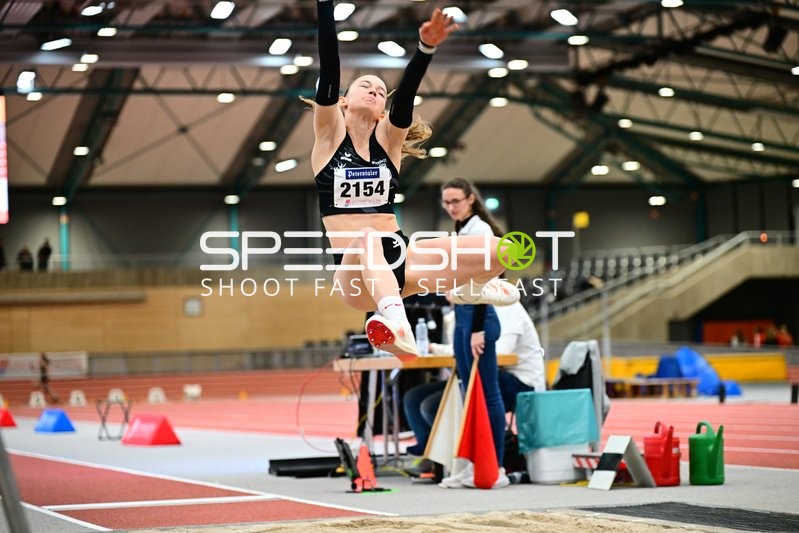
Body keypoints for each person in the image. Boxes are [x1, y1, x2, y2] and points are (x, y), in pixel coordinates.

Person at [307, 1, 518, 362]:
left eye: (379, 90)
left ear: (382, 111)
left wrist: (426, 49)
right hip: (355, 272)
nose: (374, 90)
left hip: (403, 259)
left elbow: (405, 99)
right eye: (365, 85)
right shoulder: (328, 137)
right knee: (368, 237)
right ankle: (397, 322)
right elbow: (329, 68)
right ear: (343, 102)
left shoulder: (388, 142)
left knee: (502, 250)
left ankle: (469, 289)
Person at [437, 177, 511, 489]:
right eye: (446, 202)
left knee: (487, 393)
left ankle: (497, 467)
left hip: (479, 317)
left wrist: (478, 328)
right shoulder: (462, 230)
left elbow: (486, 278)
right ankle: (475, 464)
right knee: (470, 394)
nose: (451, 207)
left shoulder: (480, 230)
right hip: (463, 316)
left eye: (455, 201)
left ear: (470, 199)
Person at [402, 302, 546, 457]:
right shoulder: (462, 308)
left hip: (519, 380)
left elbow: (499, 353)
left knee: (432, 406)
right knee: (413, 398)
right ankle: (432, 456)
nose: (445, 292)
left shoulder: (504, 306)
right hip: (490, 371)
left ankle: (471, 459)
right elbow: (463, 346)